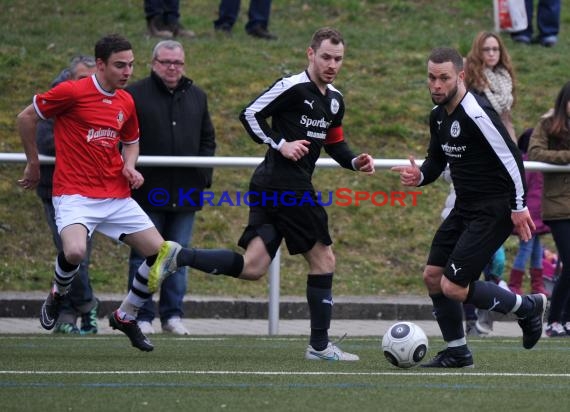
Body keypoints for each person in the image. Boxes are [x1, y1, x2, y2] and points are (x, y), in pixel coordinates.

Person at [17, 34, 189, 352]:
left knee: (164, 254)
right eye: (119, 65)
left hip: (115, 196)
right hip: (74, 194)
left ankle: (126, 315)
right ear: (100, 64)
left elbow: (131, 139)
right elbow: (26, 117)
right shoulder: (72, 92)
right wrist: (33, 164)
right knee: (75, 253)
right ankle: (57, 294)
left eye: (131, 65)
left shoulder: (125, 101)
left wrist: (129, 165)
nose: (127, 71)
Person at [391, 47, 546, 368]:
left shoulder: (477, 113)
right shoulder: (438, 117)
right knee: (433, 276)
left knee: (453, 285)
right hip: (464, 207)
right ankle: (458, 351)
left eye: (444, 78)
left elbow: (513, 159)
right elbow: (435, 162)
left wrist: (519, 207)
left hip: (495, 210)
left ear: (460, 76)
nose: (436, 85)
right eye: (431, 78)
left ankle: (527, 307)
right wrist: (419, 175)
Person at [126, 40, 216, 335]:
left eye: (178, 62)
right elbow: (121, 139)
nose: (172, 68)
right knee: (145, 255)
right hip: (145, 190)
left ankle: (172, 316)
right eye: (166, 62)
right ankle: (139, 315)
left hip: (187, 191)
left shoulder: (197, 96)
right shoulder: (134, 95)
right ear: (153, 63)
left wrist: (204, 175)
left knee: (180, 256)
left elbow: (207, 140)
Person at [36, 55, 99, 335]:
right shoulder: (57, 100)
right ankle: (84, 306)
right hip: (57, 190)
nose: (89, 85)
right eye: (83, 78)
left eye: (92, 78)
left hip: (93, 189)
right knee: (71, 252)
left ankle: (69, 314)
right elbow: (46, 142)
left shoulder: (106, 102)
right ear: (70, 79)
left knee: (78, 254)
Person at [528, 81, 570, 337]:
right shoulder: (548, 123)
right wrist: (567, 156)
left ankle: (565, 319)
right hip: (558, 206)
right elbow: (534, 152)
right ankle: (555, 319)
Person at [508, 128, 551, 298]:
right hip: (530, 215)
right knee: (526, 249)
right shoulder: (528, 164)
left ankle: (537, 284)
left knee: (536, 250)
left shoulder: (532, 163)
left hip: (537, 214)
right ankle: (515, 284)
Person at [465, 31, 517, 142]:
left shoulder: (505, 77)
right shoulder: (470, 77)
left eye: (495, 49)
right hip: (476, 137)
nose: (491, 53)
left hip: (502, 134)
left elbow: (506, 118)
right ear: (478, 52)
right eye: (486, 49)